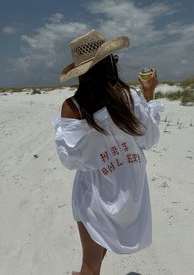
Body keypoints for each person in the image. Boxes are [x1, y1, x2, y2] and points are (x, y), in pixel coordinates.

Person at [53, 29, 164, 275]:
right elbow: (148, 138)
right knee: (98, 255)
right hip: (128, 189)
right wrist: (148, 95)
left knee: (91, 263)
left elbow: (71, 160)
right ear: (110, 64)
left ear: (81, 73)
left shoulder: (73, 107)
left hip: (94, 193)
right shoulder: (128, 97)